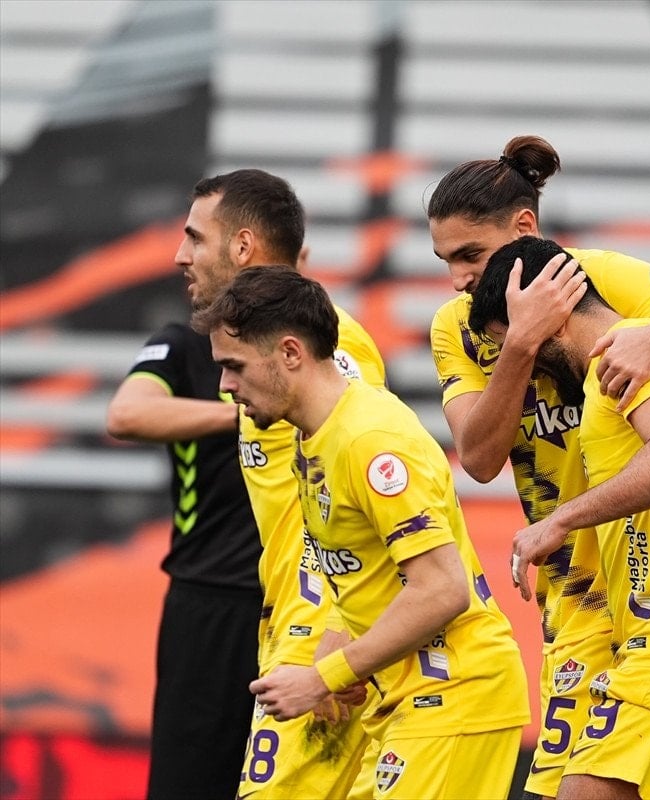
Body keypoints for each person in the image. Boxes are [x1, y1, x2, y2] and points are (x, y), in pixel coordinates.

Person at [426, 135, 650, 799]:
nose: (459, 278)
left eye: (470, 255)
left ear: (524, 228)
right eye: (444, 261)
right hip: (577, 599)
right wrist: (519, 345)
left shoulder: (610, 284)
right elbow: (480, 459)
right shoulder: (460, 326)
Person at [193, 266, 529, 798]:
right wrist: (340, 652)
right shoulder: (313, 437)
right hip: (402, 699)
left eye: (234, 366)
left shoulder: (371, 441)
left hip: (453, 693)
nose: (224, 387)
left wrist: (321, 677)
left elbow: (443, 588)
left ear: (290, 352)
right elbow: (362, 567)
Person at [177, 169, 386, 797]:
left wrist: (337, 642)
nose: (180, 255)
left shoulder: (327, 345)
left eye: (195, 237)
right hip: (288, 627)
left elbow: (362, 489)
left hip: (318, 636)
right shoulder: (254, 350)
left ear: (242, 247)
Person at [106, 313, 260, 796]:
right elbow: (126, 415)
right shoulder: (182, 344)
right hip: (207, 600)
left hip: (303, 602)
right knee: (189, 780)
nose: (184, 266)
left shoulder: (327, 339)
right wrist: (248, 414)